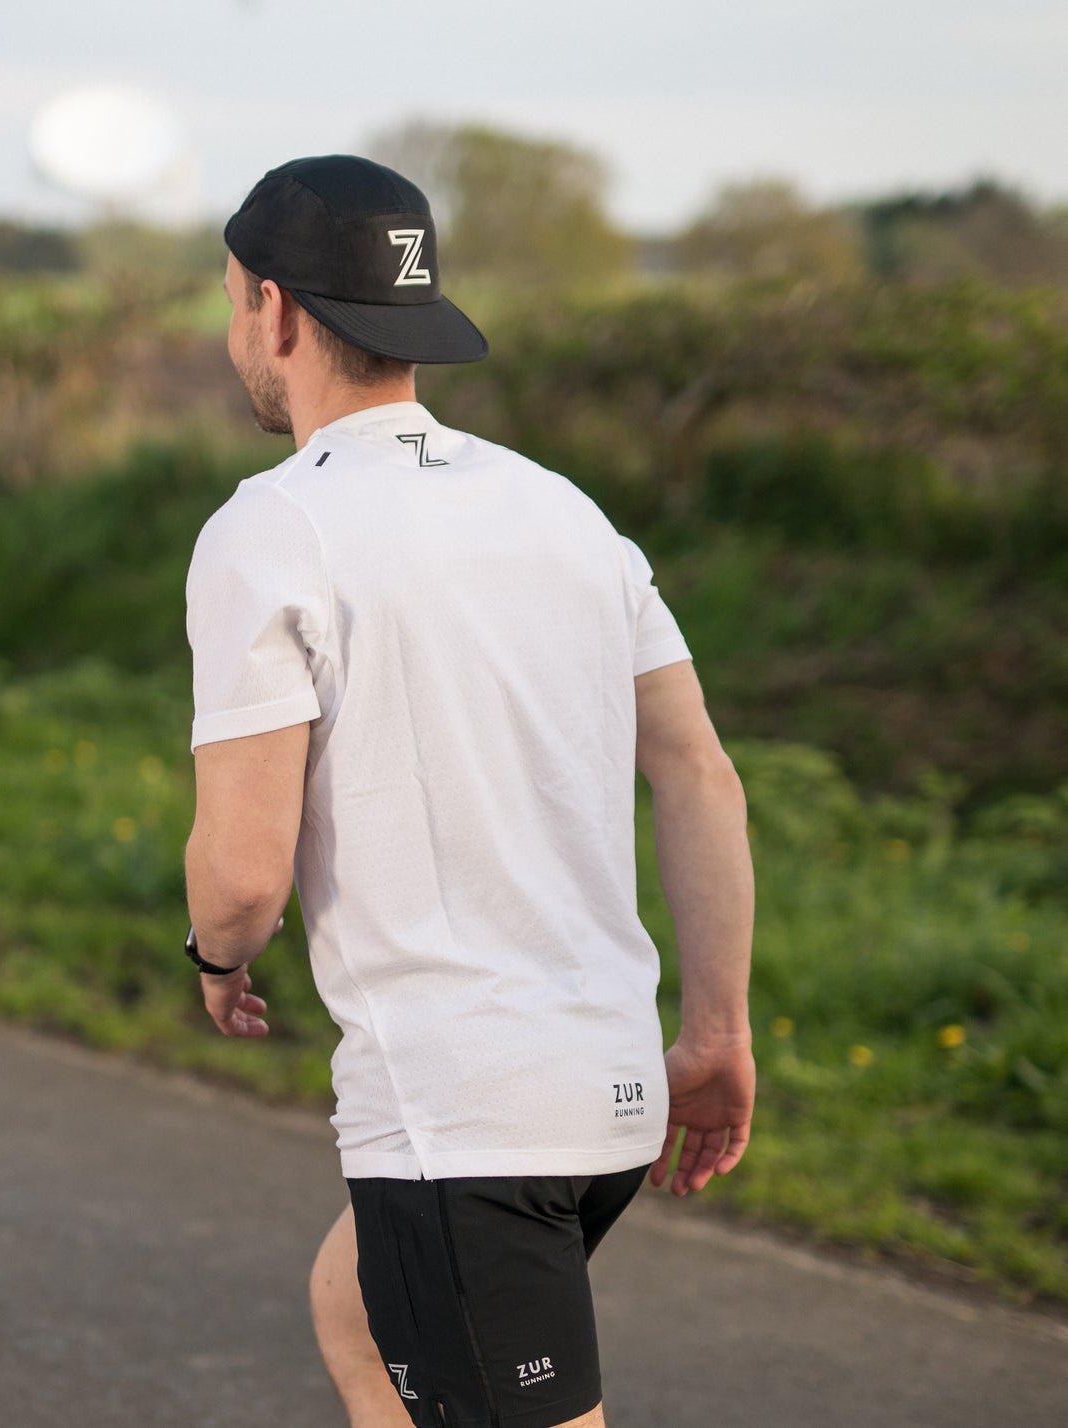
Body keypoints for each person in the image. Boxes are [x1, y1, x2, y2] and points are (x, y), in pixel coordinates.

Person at [182, 155, 755, 1428]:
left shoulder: (270, 529)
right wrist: (714, 1033)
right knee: (353, 1304)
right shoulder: (560, 512)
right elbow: (695, 767)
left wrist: (218, 956)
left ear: (273, 310)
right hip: (604, 1095)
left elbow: (238, 879)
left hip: (463, 1125)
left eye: (231, 304)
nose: (235, 335)